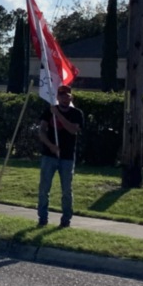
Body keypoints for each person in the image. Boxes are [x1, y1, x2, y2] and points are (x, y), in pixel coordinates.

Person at [37, 84, 84, 228]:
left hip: (67, 157)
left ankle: (66, 220)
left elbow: (73, 130)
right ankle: (42, 218)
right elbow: (41, 131)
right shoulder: (48, 111)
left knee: (66, 190)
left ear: (71, 97)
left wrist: (58, 115)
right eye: (62, 95)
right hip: (49, 156)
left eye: (67, 96)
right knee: (44, 188)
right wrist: (50, 145)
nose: (65, 98)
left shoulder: (76, 113)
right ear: (57, 97)